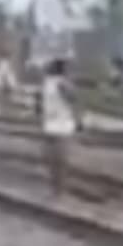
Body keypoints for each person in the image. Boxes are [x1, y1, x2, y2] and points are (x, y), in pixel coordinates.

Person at [38, 58, 79, 194]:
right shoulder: (61, 84)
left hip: (51, 126)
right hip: (61, 127)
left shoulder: (47, 83)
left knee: (53, 161)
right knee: (60, 161)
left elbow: (41, 105)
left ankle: (55, 189)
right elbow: (73, 98)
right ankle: (58, 190)